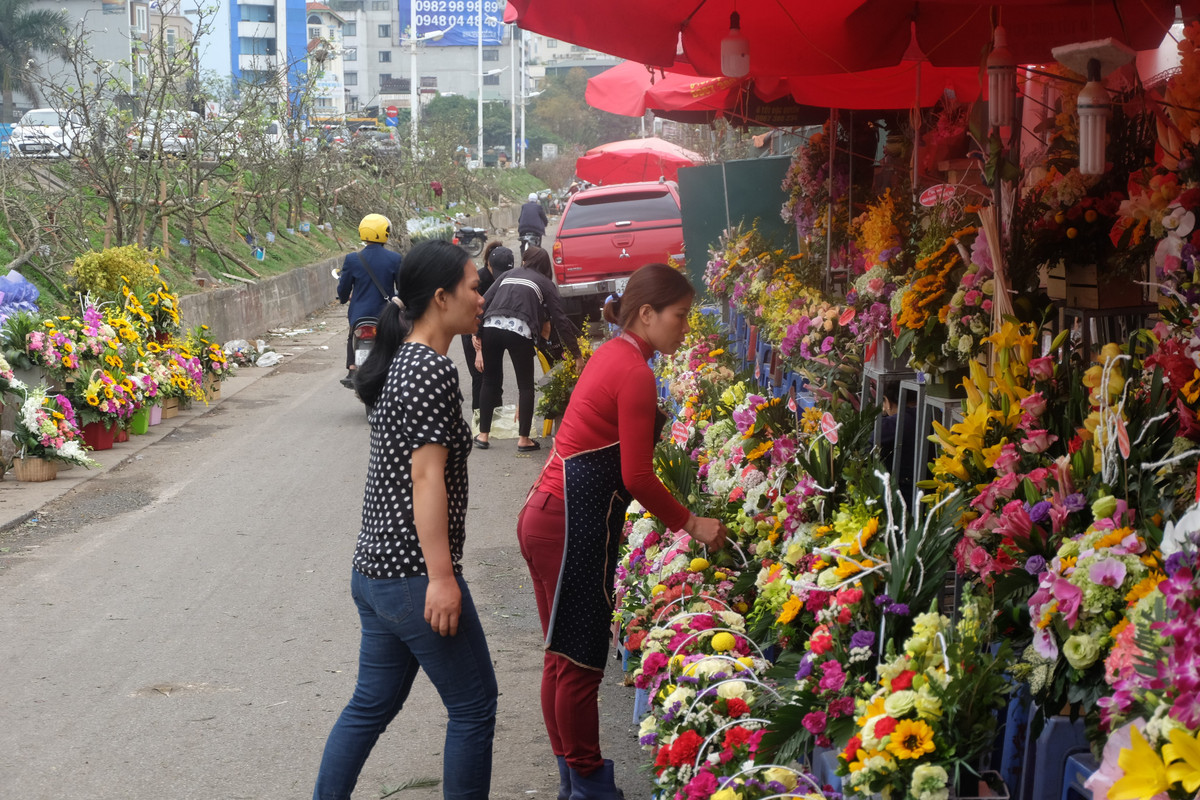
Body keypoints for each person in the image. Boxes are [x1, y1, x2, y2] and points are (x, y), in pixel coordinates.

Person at [516, 263, 728, 800]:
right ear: (646, 313)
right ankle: (588, 785)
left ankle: (575, 780)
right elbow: (636, 475)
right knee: (580, 662)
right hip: (571, 522)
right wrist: (692, 523)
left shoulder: (615, 354)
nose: (685, 327)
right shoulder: (634, 370)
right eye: (679, 316)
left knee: (561, 659)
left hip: (547, 516)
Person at [313, 239, 498, 800]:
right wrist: (442, 578)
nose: (481, 297)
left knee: (372, 704)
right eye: (473, 286)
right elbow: (426, 479)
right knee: (474, 706)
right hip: (411, 575)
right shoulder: (427, 370)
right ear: (441, 298)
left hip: (378, 573)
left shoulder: (413, 362)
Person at [473, 246, 578, 452]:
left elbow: (483, 301)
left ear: (525, 261)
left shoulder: (510, 274)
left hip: (491, 327)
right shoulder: (545, 283)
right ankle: (523, 440)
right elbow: (560, 319)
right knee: (525, 386)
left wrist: (477, 332)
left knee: (489, 381)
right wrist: (576, 353)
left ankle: (483, 436)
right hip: (519, 329)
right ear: (546, 265)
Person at [336, 213, 402, 388]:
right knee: (396, 338)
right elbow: (402, 289)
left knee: (352, 334)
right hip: (385, 314)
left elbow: (343, 289)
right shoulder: (394, 259)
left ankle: (352, 367)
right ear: (385, 232)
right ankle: (397, 366)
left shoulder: (352, 259)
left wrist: (343, 299)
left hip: (360, 314)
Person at [459, 241, 514, 412]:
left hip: (492, 330)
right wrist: (477, 344)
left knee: (495, 377)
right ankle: (479, 418)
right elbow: (469, 311)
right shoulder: (479, 279)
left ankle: (495, 416)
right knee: (480, 377)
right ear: (489, 264)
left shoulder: (509, 277)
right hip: (472, 329)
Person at [875, 381, 918, 503]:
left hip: (904, 493)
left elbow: (869, 442)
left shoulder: (892, 424)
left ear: (887, 402)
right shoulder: (931, 415)